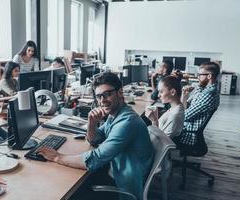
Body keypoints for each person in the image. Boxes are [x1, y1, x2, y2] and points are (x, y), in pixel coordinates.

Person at [37, 72, 155, 200]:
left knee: (67, 190)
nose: (102, 101)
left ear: (120, 92)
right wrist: (92, 123)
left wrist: (57, 157)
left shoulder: (127, 122)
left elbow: (96, 158)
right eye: (99, 96)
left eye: (107, 94)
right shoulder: (116, 114)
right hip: (115, 169)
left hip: (124, 184)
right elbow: (96, 139)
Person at [175, 62, 220, 147]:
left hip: (186, 134)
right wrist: (184, 95)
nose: (197, 77)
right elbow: (185, 107)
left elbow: (183, 116)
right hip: (183, 126)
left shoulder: (208, 95)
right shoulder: (203, 88)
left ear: (209, 76)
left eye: (200, 75)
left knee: (156, 129)